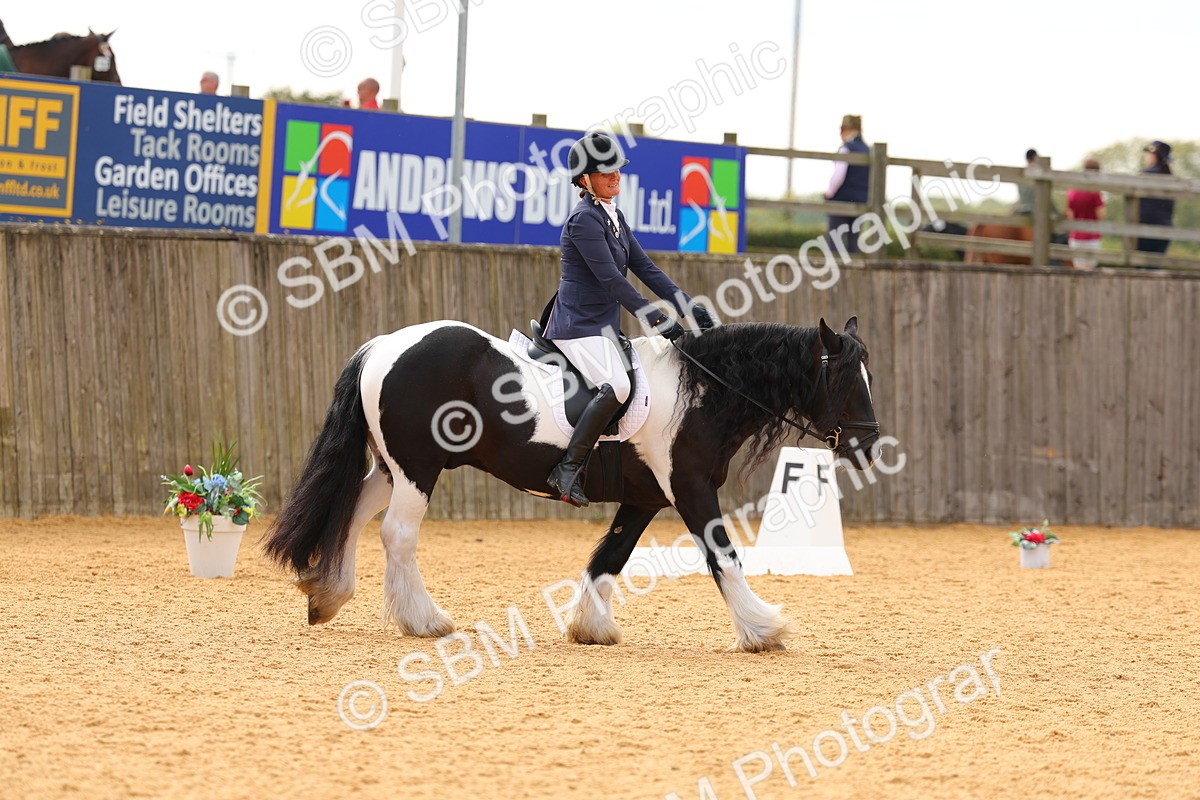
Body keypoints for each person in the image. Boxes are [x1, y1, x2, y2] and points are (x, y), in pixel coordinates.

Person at [542, 132, 714, 507]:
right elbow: (612, 280)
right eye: (605, 172)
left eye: (616, 169)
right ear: (585, 180)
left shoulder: (614, 217)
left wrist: (687, 306)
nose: (615, 176)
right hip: (577, 326)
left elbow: (645, 268)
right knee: (618, 385)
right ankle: (567, 469)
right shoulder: (583, 221)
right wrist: (658, 320)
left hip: (602, 326)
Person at [824, 115, 869, 254]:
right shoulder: (869, 151)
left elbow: (838, 176)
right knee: (853, 242)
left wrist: (829, 193)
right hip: (861, 201)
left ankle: (833, 265)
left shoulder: (846, 148)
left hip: (841, 199)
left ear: (846, 129)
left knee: (835, 241)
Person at [1065, 158, 1106, 270]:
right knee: (1090, 270)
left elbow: (1069, 214)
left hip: (1076, 236)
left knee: (1078, 268)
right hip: (1092, 237)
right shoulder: (1095, 191)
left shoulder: (1072, 191)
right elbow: (1101, 214)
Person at [1136, 141, 1175, 256]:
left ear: (1154, 156)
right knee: (1156, 263)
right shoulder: (1170, 176)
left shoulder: (1146, 174)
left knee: (1140, 263)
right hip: (1165, 228)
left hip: (1144, 227)